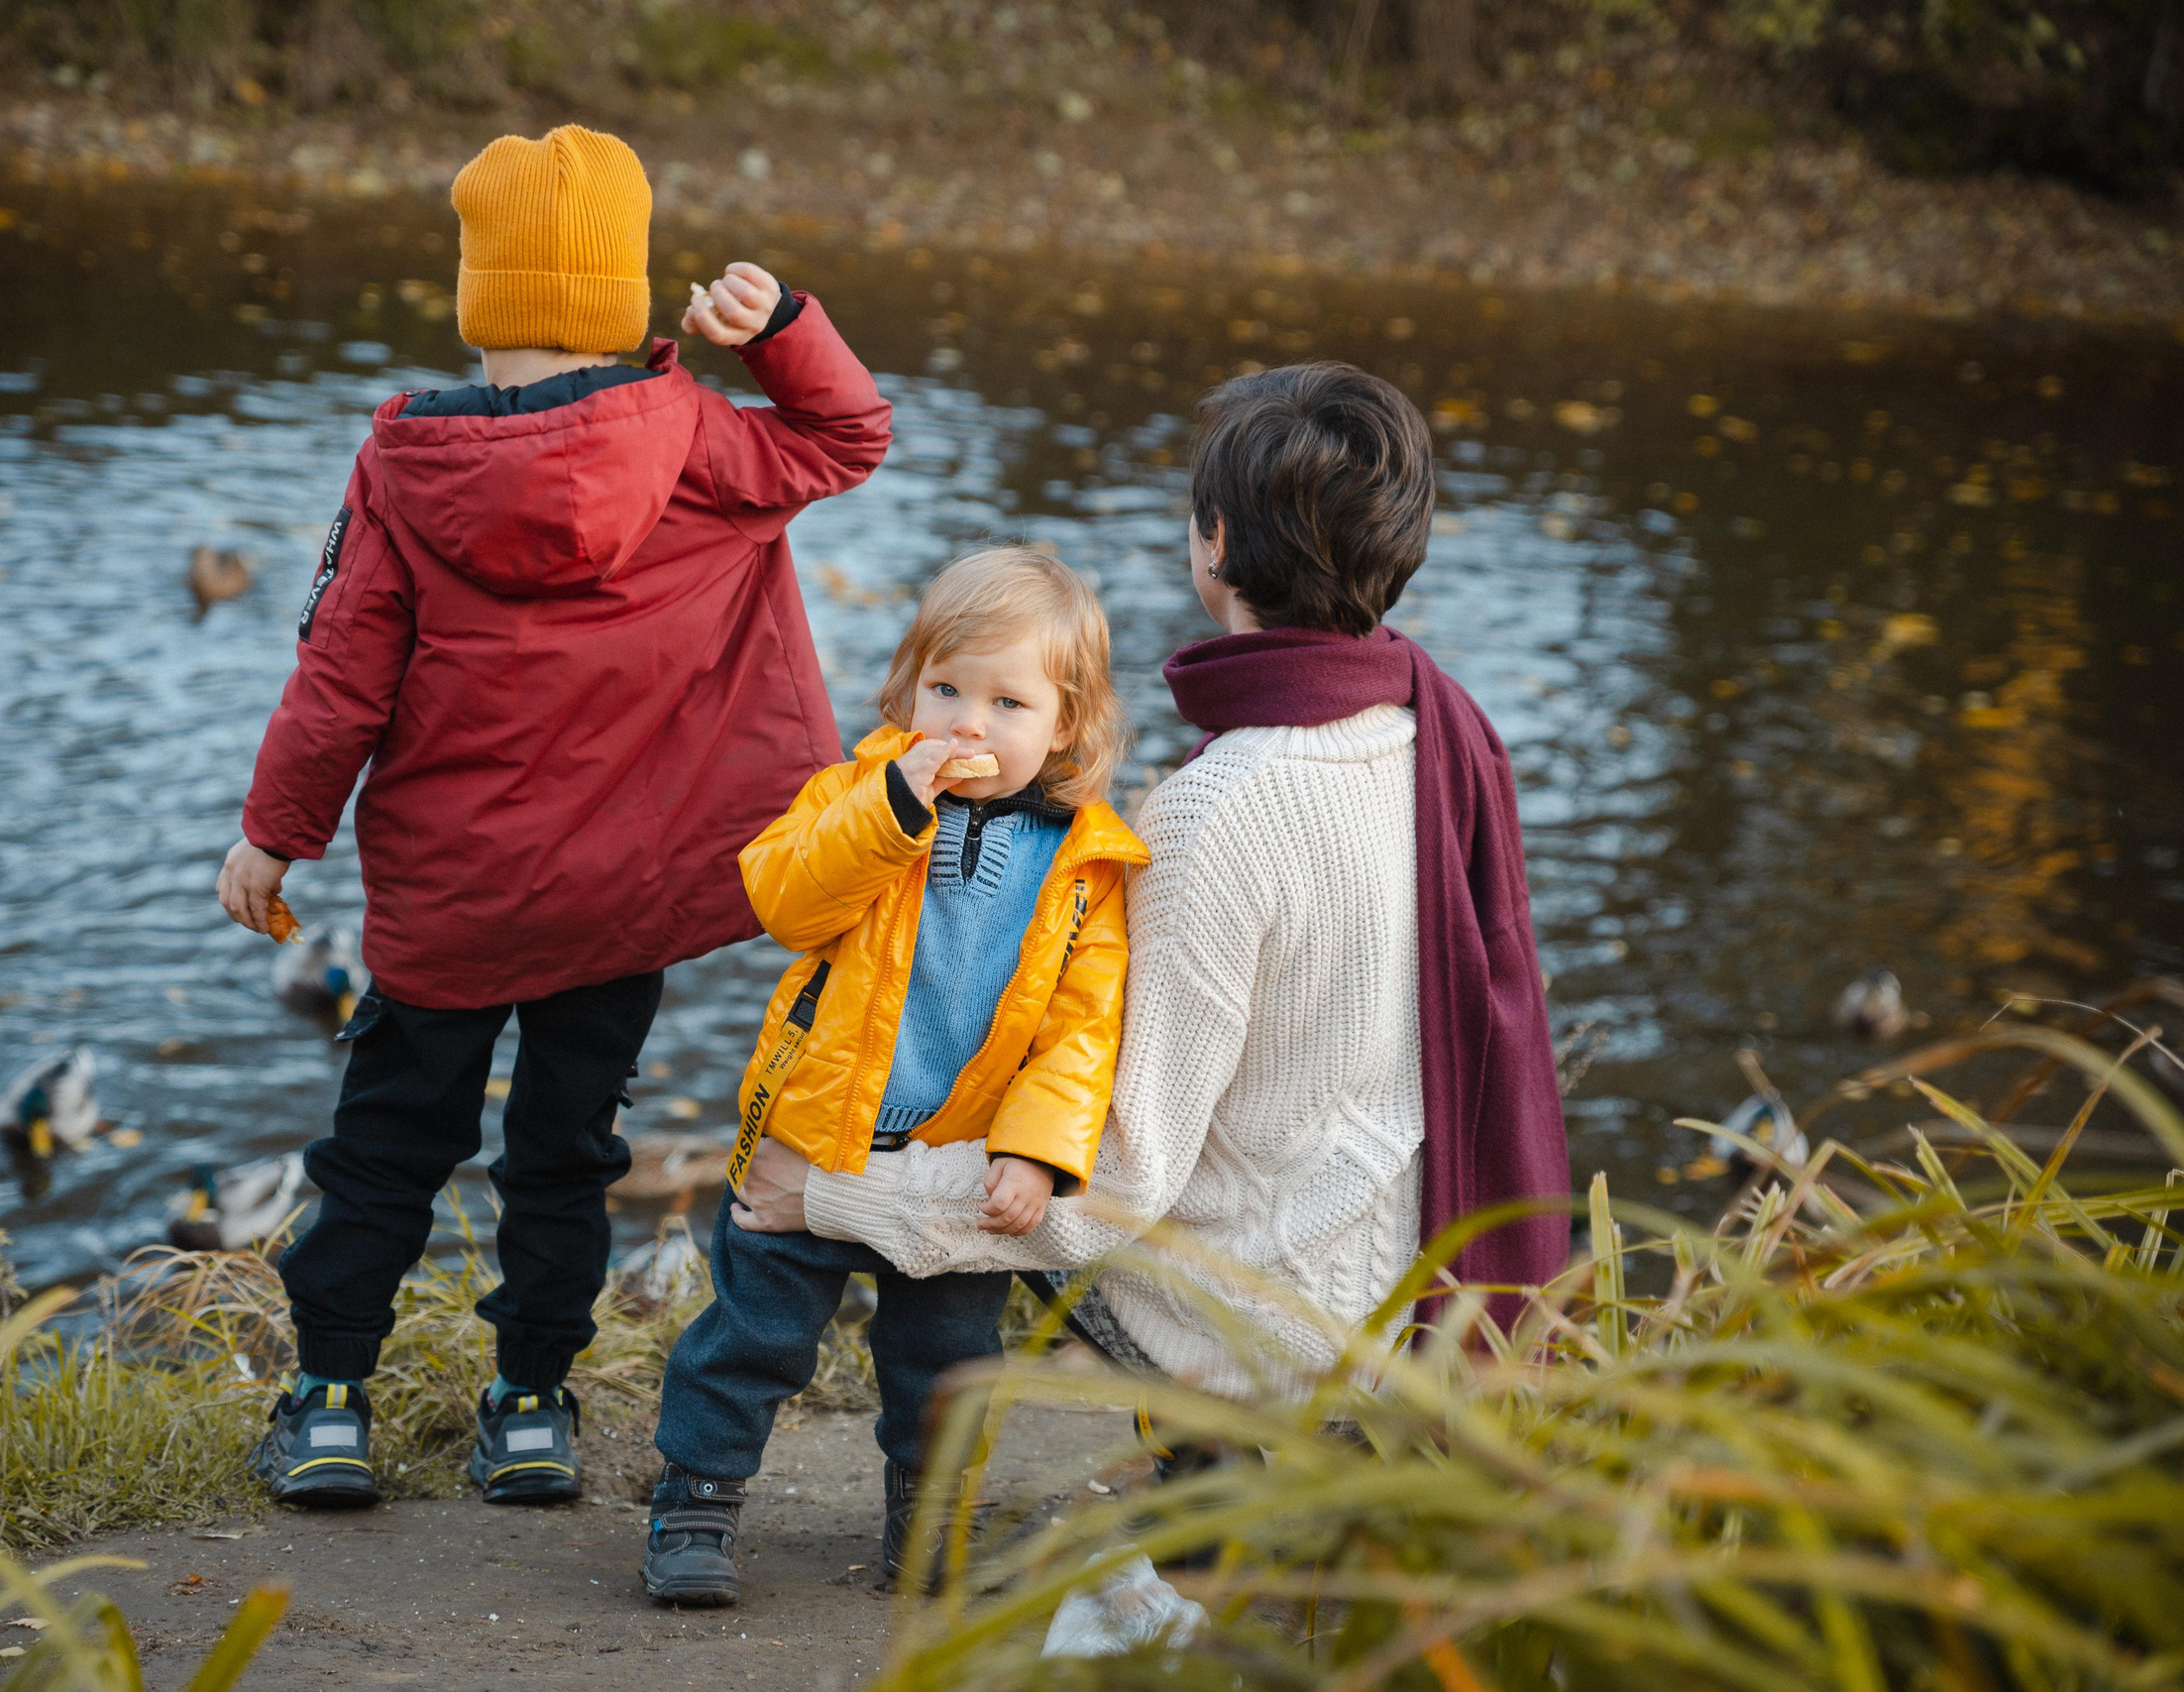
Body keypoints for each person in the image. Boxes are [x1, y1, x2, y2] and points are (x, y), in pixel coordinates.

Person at [212, 123, 892, 1511]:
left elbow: (339, 679)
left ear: (482, 304)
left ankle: (330, 1399)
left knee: (388, 1147)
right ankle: (529, 1407)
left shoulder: (407, 468)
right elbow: (847, 437)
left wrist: (273, 835)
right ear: (625, 298)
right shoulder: (699, 437)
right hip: (621, 903)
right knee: (567, 1155)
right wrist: (781, 330)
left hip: (455, 908)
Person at [736, 363, 1572, 1424]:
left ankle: (1202, 1464)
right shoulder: (1434, 733)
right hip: (1407, 1283)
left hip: (1261, 1328)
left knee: (1020, 1121)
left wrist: (833, 1196)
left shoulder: (1215, 808)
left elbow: (1116, 1183)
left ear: (1212, 541)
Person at [638, 549, 1147, 1606]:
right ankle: (695, 1493)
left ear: (1065, 725)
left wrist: (1034, 1149)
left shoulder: (1087, 866)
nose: (968, 721)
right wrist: (889, 809)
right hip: (816, 1135)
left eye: (1008, 701)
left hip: (956, 1159)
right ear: (908, 686)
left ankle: (929, 1521)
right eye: (946, 688)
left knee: (946, 1360)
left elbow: (1080, 1028)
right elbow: (785, 898)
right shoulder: (856, 795)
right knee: (753, 1335)